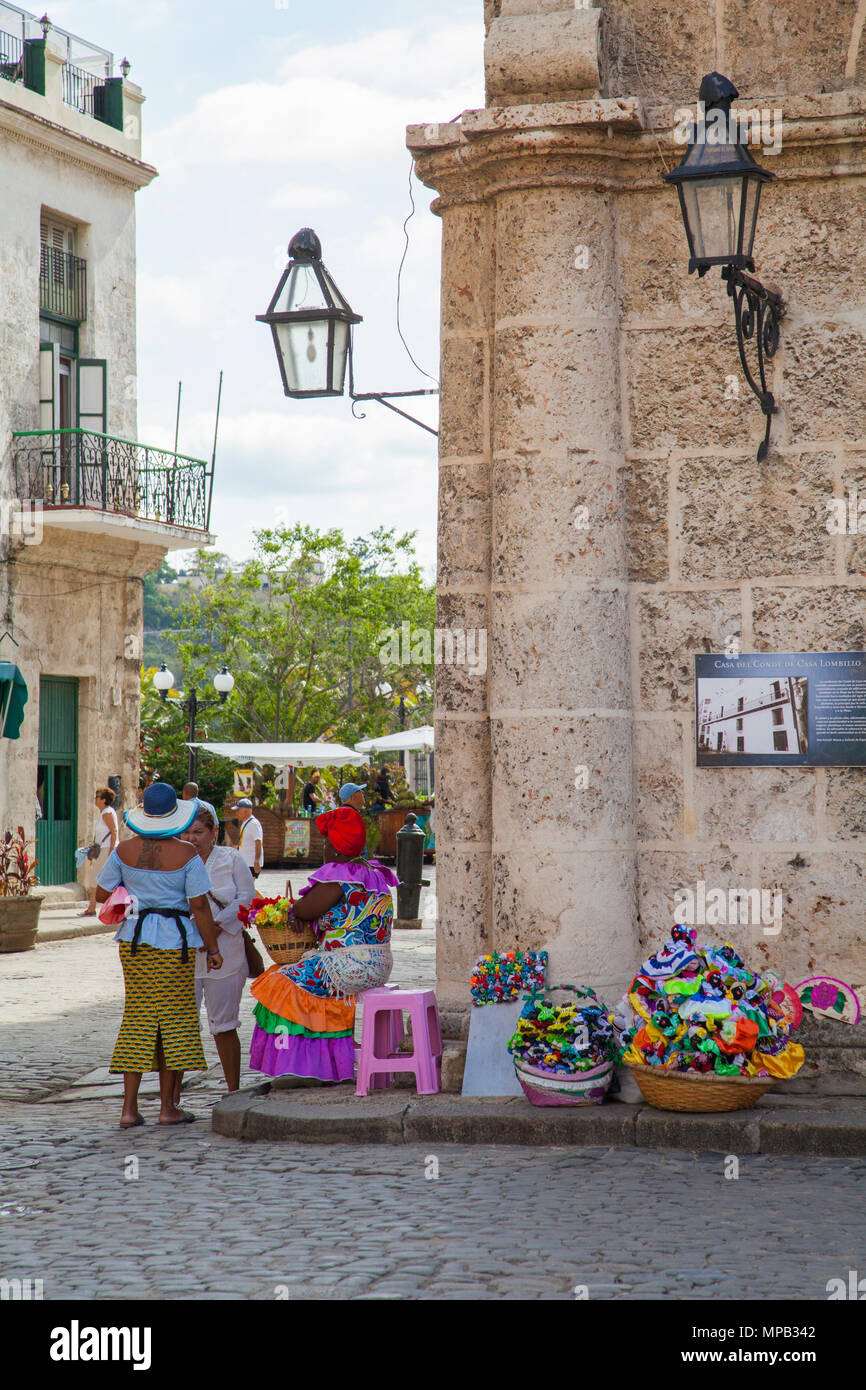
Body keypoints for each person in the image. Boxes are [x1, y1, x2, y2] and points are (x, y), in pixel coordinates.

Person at [95, 782, 223, 1128]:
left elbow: (100, 892)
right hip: (174, 945)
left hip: (134, 943)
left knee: (137, 1016)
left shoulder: (124, 851)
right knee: (175, 1020)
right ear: (175, 815)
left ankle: (129, 1109)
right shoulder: (187, 855)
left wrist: (138, 893)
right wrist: (213, 949)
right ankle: (168, 1108)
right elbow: (199, 906)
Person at [249, 806, 397, 1083]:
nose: (324, 846)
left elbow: (304, 909)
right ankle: (325, 1061)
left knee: (278, 981)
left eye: (327, 841)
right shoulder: (372, 873)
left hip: (348, 965)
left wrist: (297, 914)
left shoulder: (340, 876)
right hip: (379, 963)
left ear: (337, 847)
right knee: (298, 972)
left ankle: (306, 1067)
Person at [174, 805, 254, 1097]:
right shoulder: (176, 861)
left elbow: (246, 898)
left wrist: (216, 924)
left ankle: (233, 1089)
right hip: (186, 951)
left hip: (226, 950)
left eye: (198, 832)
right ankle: (171, 1098)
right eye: (187, 832)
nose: (191, 837)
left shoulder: (230, 859)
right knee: (181, 1025)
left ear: (214, 833)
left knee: (224, 1025)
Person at [81, 786, 119, 917]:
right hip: (104, 848)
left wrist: (111, 851)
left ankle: (92, 907)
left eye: (97, 797)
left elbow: (113, 831)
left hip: (107, 848)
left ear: (103, 800)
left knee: (95, 877)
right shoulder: (104, 813)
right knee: (101, 877)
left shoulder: (107, 813)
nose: (95, 799)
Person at [235, 798, 263, 879]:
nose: (236, 813)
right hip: (245, 862)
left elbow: (258, 843)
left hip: (251, 863)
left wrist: (257, 861)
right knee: (247, 888)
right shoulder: (246, 822)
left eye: (238, 810)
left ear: (246, 811)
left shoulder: (253, 824)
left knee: (246, 888)